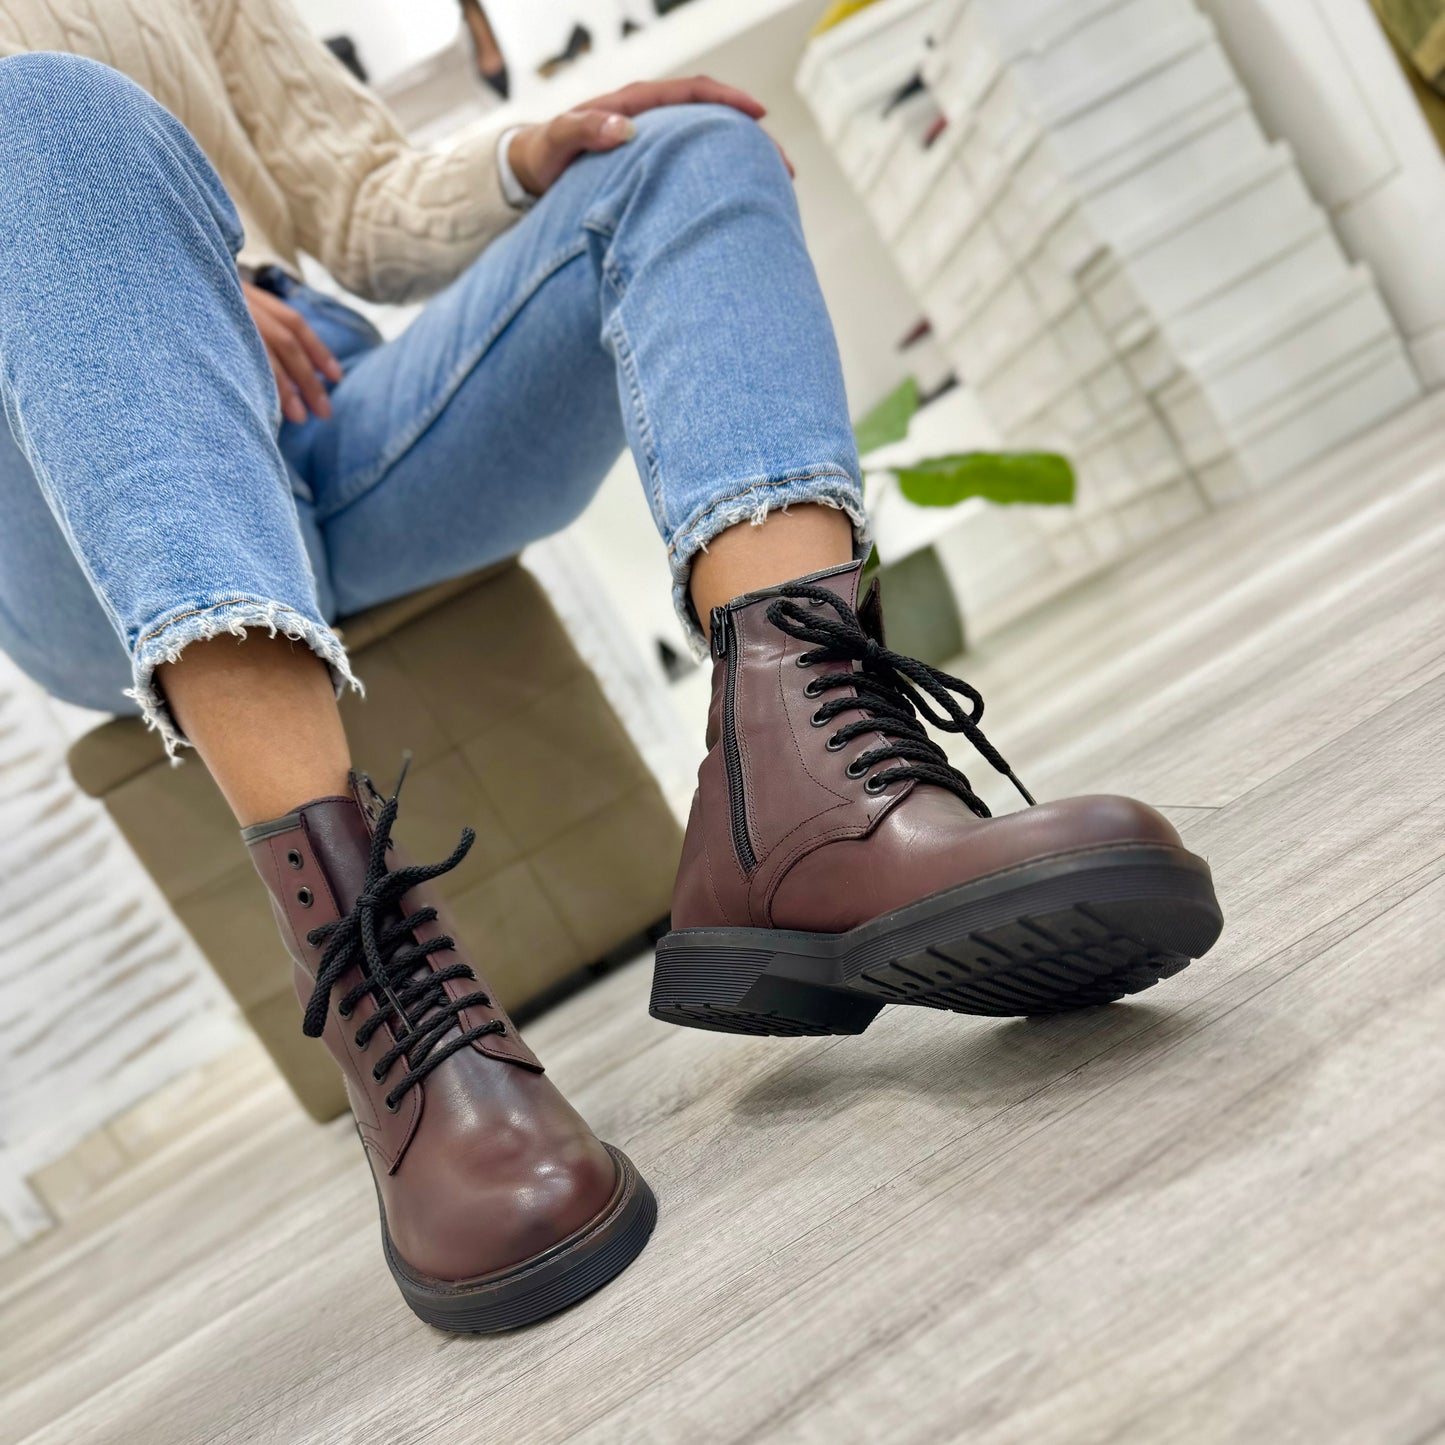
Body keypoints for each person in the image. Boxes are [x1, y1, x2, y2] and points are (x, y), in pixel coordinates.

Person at [0, 0, 1222, 1334]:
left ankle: (803, 793)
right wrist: (120, 258)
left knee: (686, 148)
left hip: (327, 413)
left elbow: (349, 198)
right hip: (71, 492)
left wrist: (524, 154)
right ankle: (373, 974)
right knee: (42, 125)